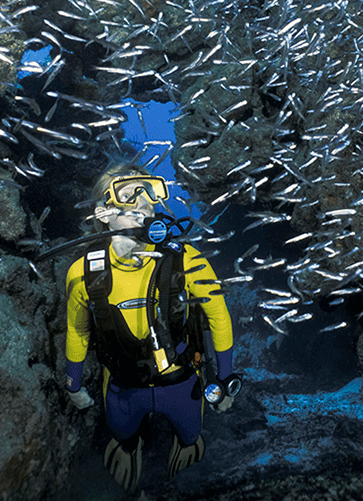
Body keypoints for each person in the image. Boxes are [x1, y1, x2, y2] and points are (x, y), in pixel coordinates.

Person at [64, 163, 237, 491]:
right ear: (103, 213)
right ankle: (131, 449)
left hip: (182, 383)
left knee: (190, 438)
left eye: (148, 193)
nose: (142, 201)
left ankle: (183, 451)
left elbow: (219, 316)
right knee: (124, 439)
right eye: (127, 194)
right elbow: (78, 330)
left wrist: (226, 378)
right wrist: (73, 384)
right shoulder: (81, 273)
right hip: (123, 389)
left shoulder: (187, 258)